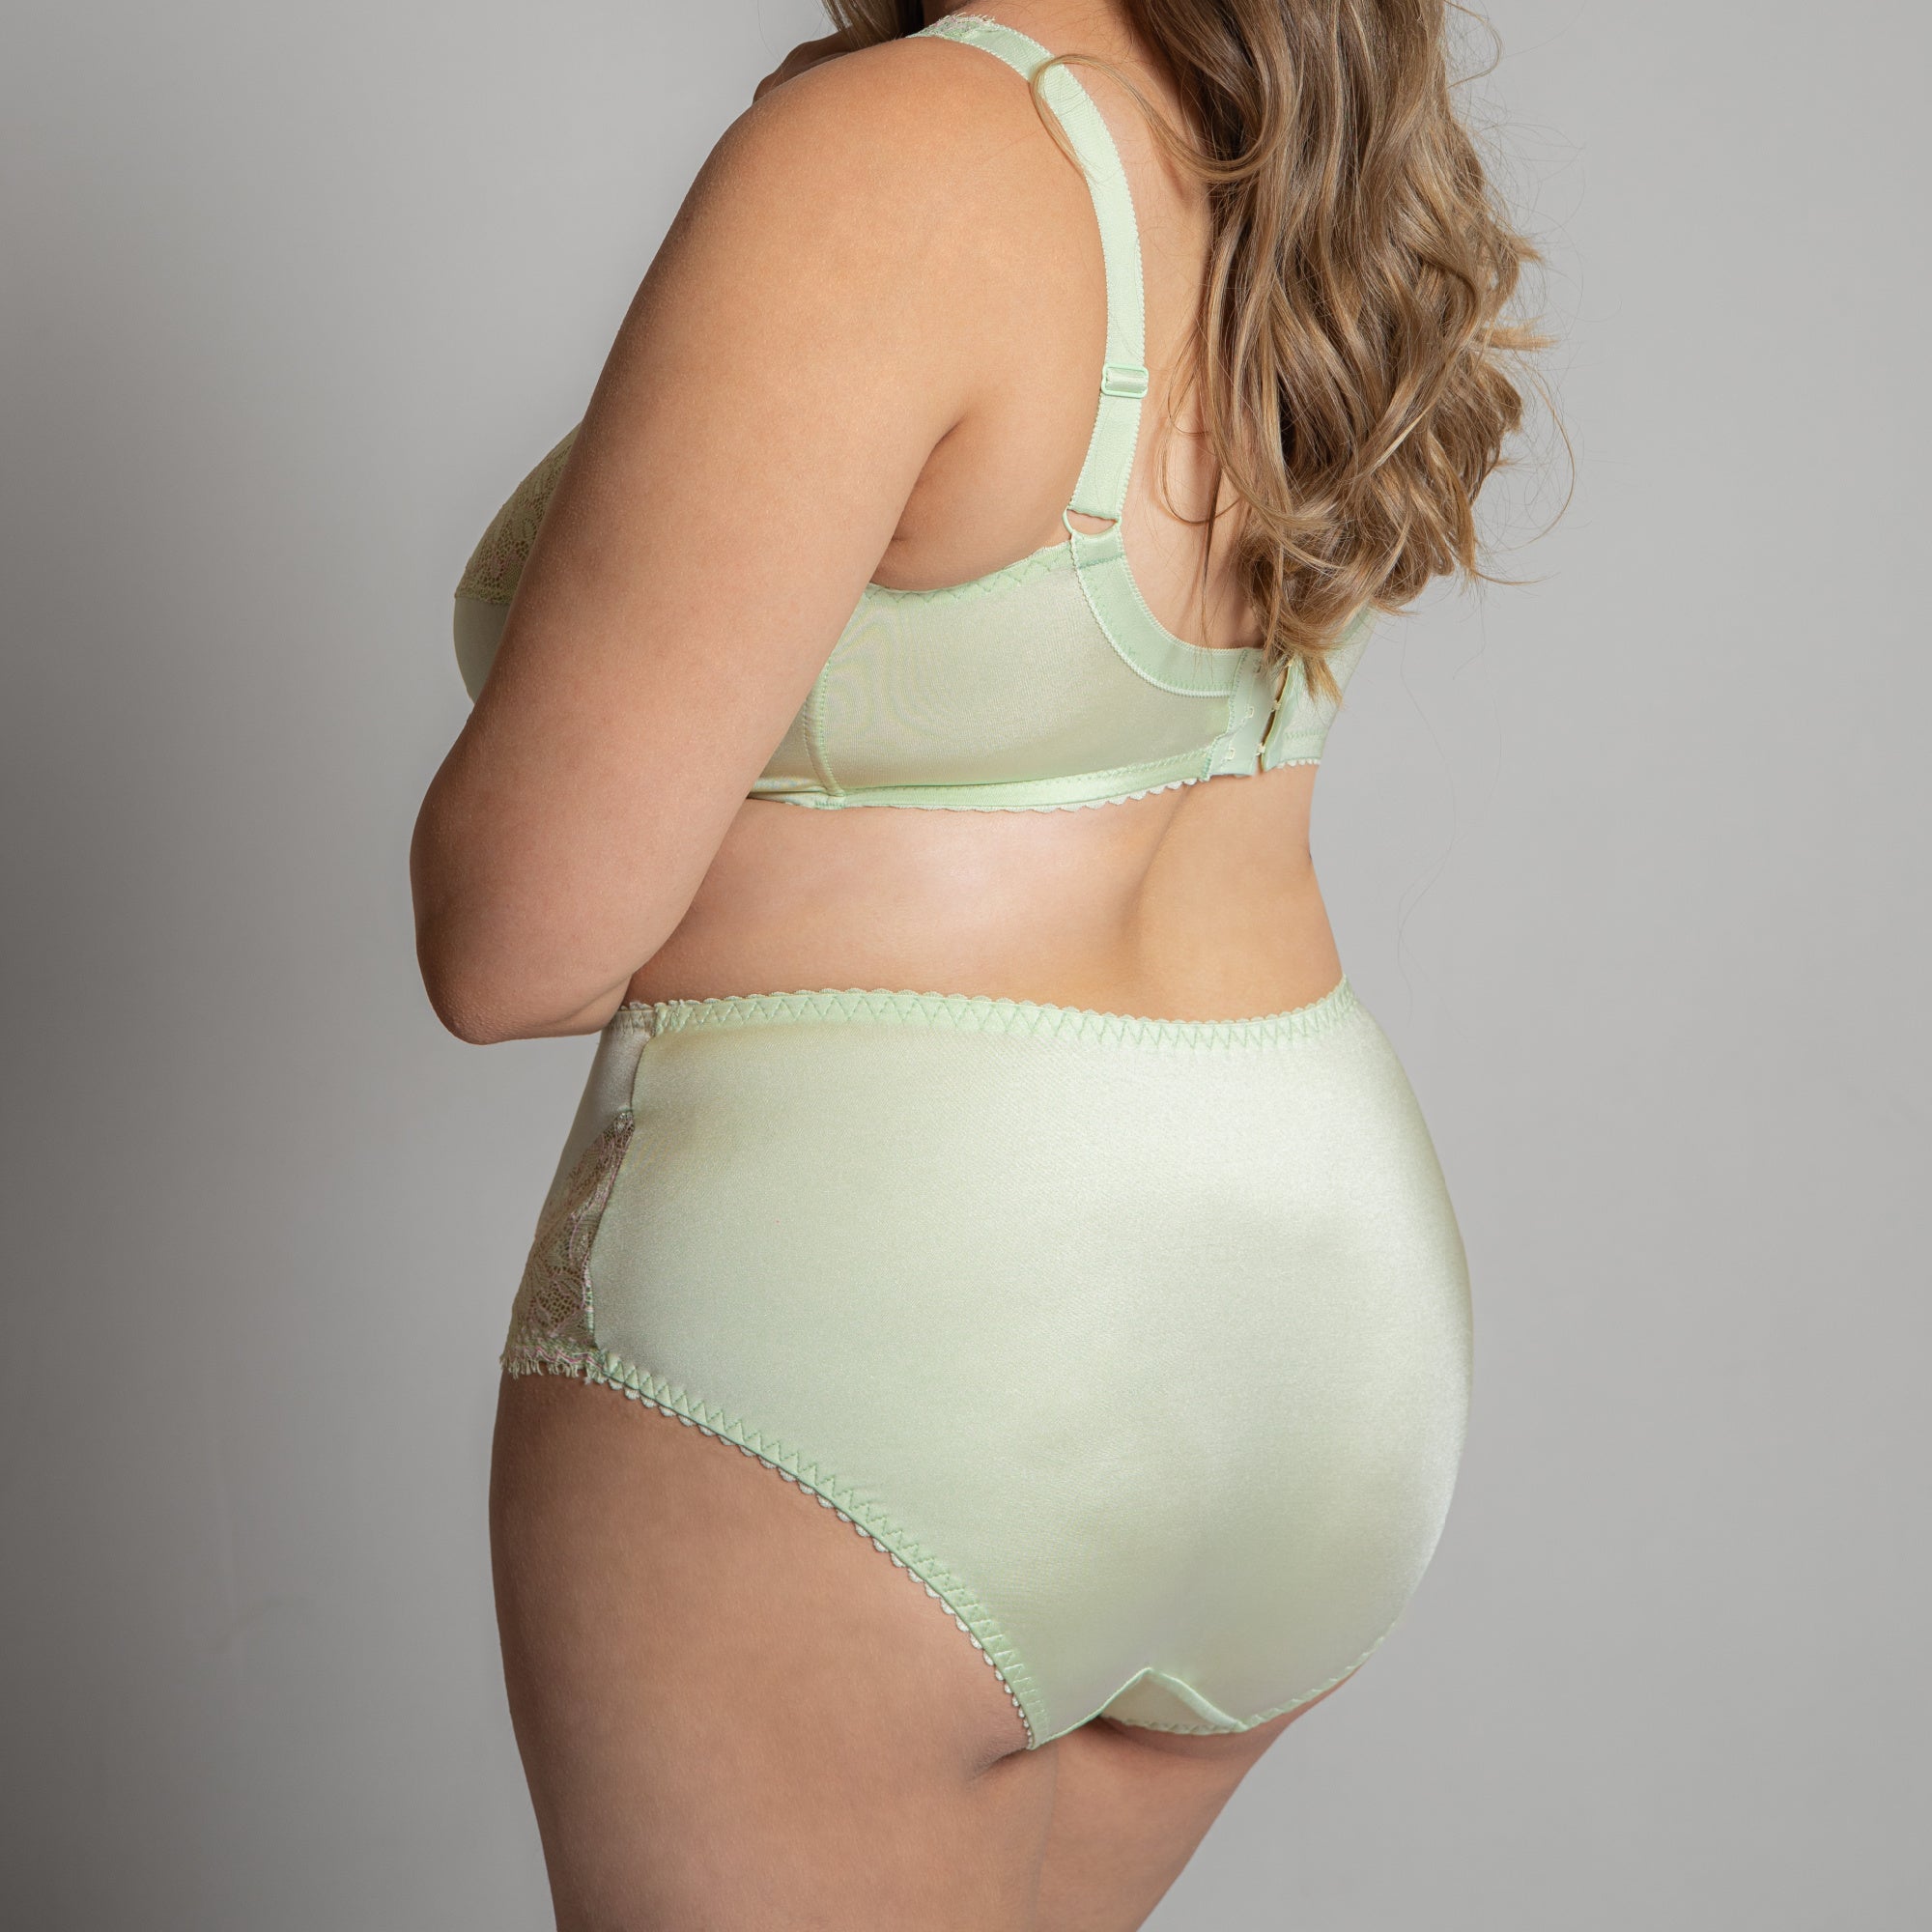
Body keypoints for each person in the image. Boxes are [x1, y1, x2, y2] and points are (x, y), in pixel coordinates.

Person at [411, 3, 1544, 1923]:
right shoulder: (1279, 145)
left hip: (890, 1332)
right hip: (1319, 1309)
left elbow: (512, 941)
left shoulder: (897, 158)